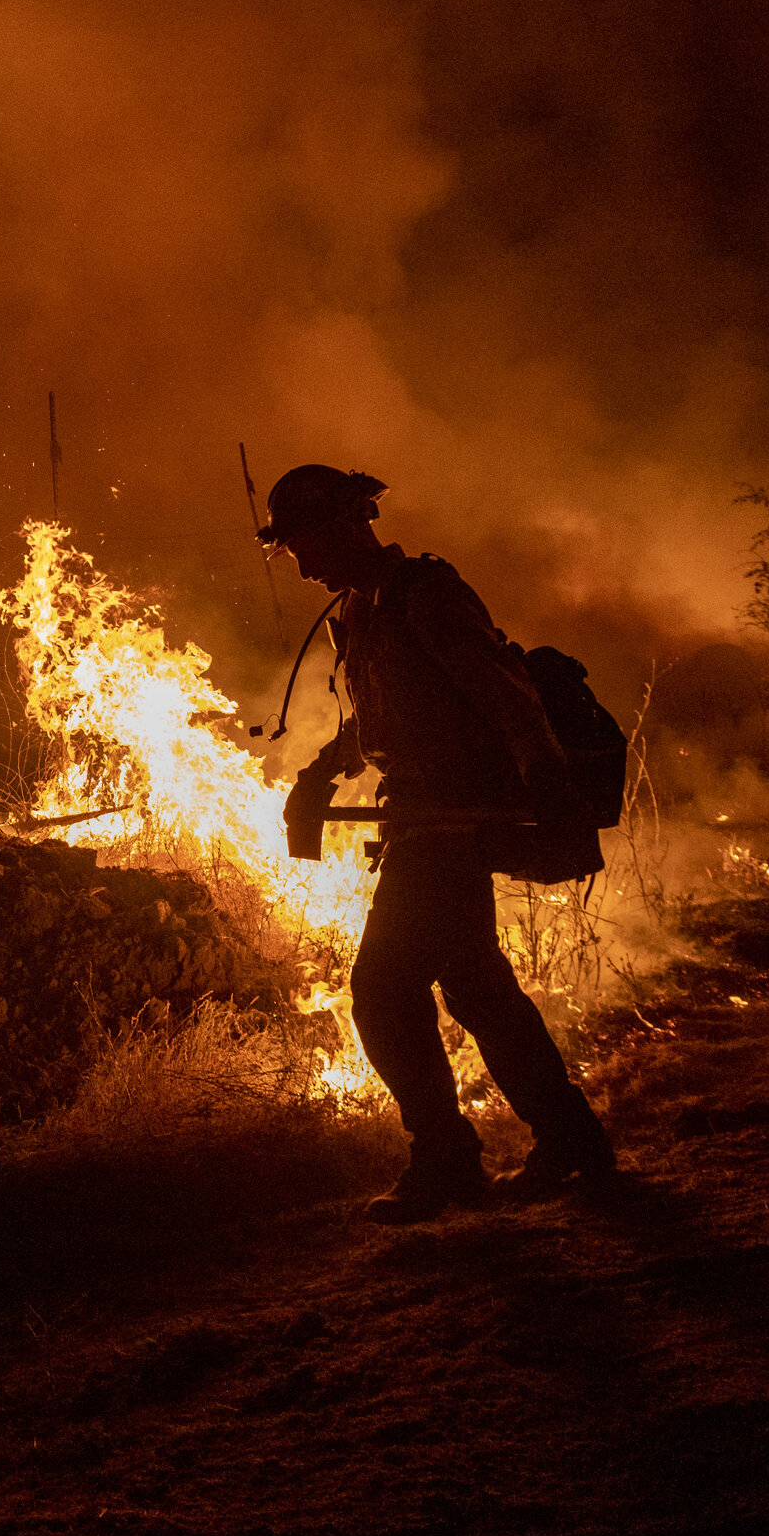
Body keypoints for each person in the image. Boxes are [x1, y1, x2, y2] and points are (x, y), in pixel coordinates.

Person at [258, 464, 614, 1223]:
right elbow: (378, 718)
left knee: (382, 990)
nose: (300, 561)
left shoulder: (429, 595)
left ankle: (448, 1156)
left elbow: (504, 691)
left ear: (348, 526)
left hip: (452, 822)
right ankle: (571, 1136)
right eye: (288, 547)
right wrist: (321, 774)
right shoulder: (359, 612)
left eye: (303, 541)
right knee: (479, 987)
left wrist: (549, 784)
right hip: (417, 817)